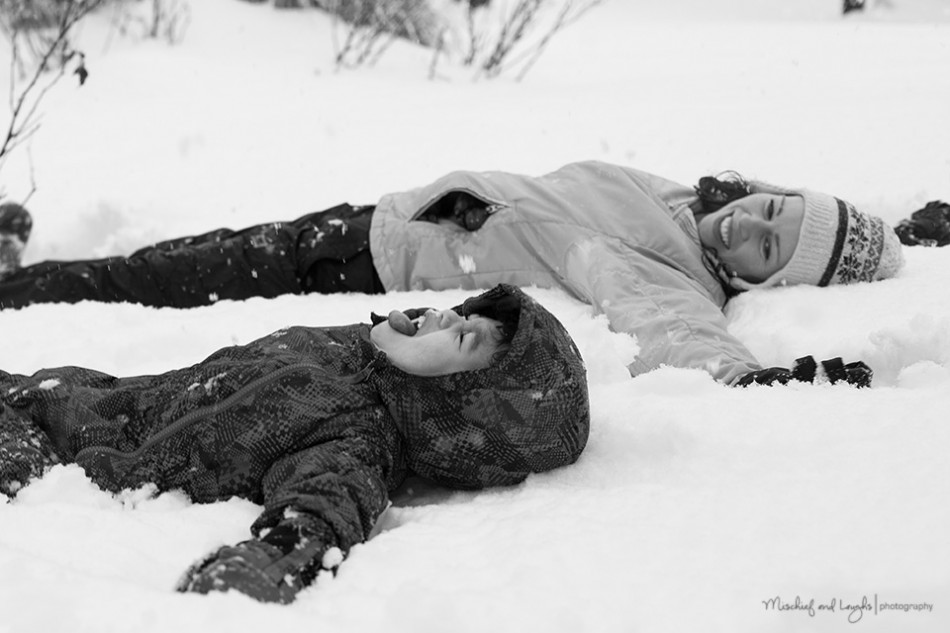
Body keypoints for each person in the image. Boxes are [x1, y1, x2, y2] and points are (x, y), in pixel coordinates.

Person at [0, 161, 905, 385]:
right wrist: (906, 228)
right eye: (775, 207)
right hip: (384, 217)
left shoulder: (672, 271)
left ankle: (18, 289)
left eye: (767, 248)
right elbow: (848, 234)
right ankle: (31, 274)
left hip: (369, 260)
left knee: (158, 279)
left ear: (761, 287)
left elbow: (674, 329)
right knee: (169, 262)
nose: (751, 223)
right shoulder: (685, 200)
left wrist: (749, 377)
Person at [0, 284, 590, 604]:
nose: (440, 315)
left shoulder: (363, 433)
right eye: (461, 311)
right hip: (77, 398)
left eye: (463, 338)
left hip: (67, 462)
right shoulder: (363, 353)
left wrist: (274, 560)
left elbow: (328, 500)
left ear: (461, 405)